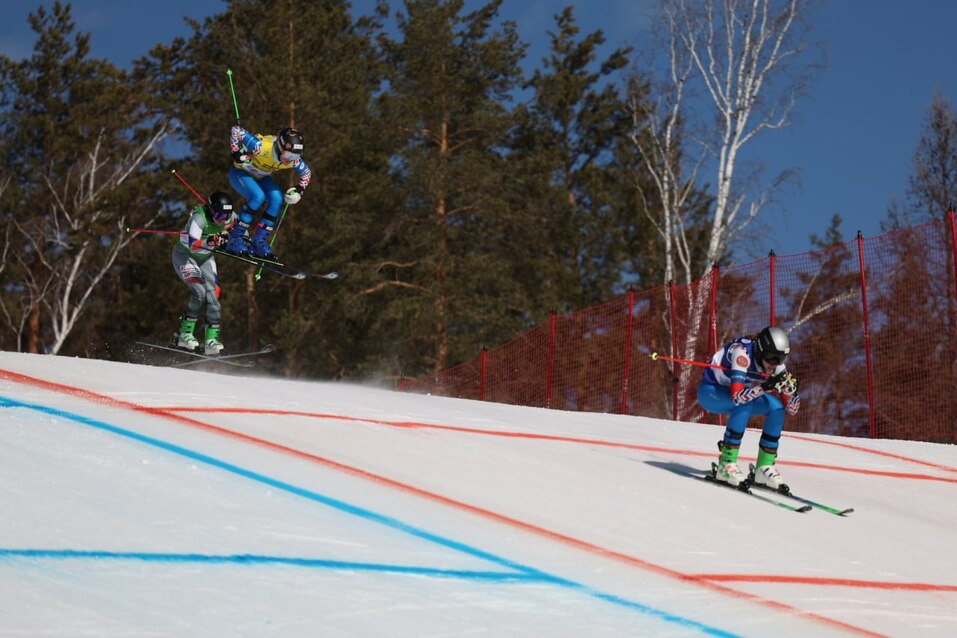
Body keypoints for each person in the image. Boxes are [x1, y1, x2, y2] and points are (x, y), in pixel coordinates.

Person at [697, 326, 801, 489]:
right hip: (710, 392)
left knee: (776, 407)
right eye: (771, 357)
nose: (774, 364)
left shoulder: (776, 367)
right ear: (760, 351)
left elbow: (792, 410)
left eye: (780, 359)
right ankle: (726, 463)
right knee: (746, 402)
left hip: (734, 395)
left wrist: (792, 392)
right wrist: (764, 388)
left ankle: (764, 467)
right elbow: (737, 397)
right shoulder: (742, 354)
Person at [224, 125, 311, 262]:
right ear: (281, 147)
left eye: (295, 156)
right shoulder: (261, 147)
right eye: (289, 155)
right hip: (240, 173)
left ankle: (258, 242)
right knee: (258, 197)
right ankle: (235, 239)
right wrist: (236, 153)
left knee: (277, 199)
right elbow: (236, 130)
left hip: (261, 176)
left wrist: (299, 190)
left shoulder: (293, 160)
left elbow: (306, 173)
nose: (290, 160)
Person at [170, 191, 236, 356]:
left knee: (213, 295)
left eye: (226, 216)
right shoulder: (199, 219)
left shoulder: (230, 217)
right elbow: (193, 245)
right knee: (199, 291)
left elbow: (242, 231)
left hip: (206, 257)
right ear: (212, 210)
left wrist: (241, 243)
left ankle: (211, 341)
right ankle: (184, 335)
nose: (223, 219)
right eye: (219, 215)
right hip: (185, 255)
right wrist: (213, 240)